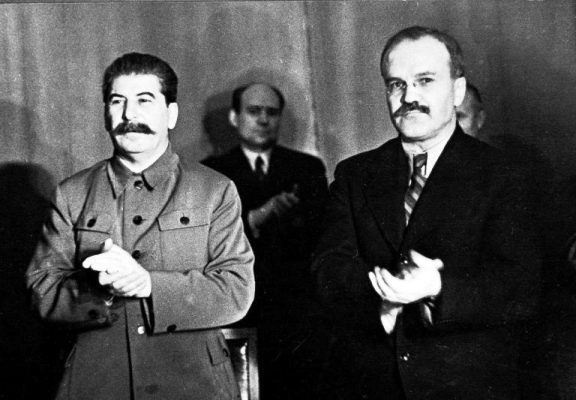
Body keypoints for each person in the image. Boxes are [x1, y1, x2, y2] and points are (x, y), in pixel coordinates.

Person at [311, 26, 542, 400]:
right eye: (396, 84)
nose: (409, 97)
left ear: (458, 91)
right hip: (374, 383)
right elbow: (328, 268)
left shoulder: (504, 174)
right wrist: (383, 296)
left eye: (425, 81)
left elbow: (522, 285)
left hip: (469, 387)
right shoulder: (355, 174)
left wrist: (437, 287)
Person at [26, 52, 255, 400]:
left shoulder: (214, 190)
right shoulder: (72, 193)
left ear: (171, 114)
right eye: (118, 101)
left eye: (144, 101)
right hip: (98, 385)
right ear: (106, 113)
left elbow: (236, 290)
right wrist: (99, 290)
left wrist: (148, 284)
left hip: (193, 385)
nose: (129, 115)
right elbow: (42, 289)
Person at [202, 83, 328, 399]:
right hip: (242, 308)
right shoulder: (211, 173)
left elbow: (323, 235)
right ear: (234, 117)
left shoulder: (307, 168)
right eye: (254, 111)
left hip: (297, 311)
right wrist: (256, 217)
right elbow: (206, 242)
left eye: (271, 112)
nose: (263, 120)